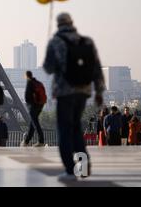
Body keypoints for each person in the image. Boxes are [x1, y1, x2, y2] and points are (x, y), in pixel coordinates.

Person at [43, 13, 105, 181]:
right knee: (76, 129)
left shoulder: (56, 42)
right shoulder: (87, 42)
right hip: (84, 92)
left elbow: (48, 68)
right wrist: (99, 92)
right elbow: (97, 69)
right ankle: (84, 166)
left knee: (64, 131)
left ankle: (70, 170)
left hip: (65, 92)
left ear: (58, 24)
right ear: (72, 23)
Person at [21, 71, 46, 147]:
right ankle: (26, 141)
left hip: (33, 106)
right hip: (40, 105)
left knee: (35, 123)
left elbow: (27, 96)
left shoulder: (29, 83)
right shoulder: (38, 83)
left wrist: (29, 105)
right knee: (33, 123)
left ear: (26, 76)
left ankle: (41, 141)